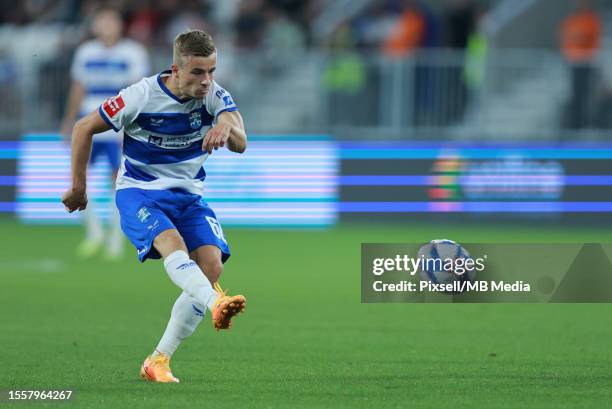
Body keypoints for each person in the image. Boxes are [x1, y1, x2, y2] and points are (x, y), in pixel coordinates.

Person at [61, 29, 247, 383]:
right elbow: (84, 127)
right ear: (176, 70)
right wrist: (78, 188)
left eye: (211, 71)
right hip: (139, 191)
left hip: (188, 196)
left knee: (211, 266)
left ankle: (158, 360)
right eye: (197, 72)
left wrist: (225, 123)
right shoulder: (140, 95)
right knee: (172, 244)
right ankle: (215, 305)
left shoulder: (212, 94)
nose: (207, 81)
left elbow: (241, 141)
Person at [61, 6, 150, 259]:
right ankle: (94, 233)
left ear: (120, 25)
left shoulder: (133, 52)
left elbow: (138, 93)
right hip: (88, 124)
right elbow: (78, 88)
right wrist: (69, 122)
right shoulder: (86, 52)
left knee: (117, 182)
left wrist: (133, 127)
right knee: (79, 179)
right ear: (95, 26)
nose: (106, 27)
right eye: (102, 22)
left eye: (111, 21)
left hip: (116, 126)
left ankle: (115, 238)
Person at [560, 0, 601, 129]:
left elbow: (589, 38)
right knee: (575, 95)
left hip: (586, 61)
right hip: (574, 62)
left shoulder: (591, 21)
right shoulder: (571, 21)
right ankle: (575, 124)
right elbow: (566, 37)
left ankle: (586, 124)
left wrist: (580, 38)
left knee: (586, 95)